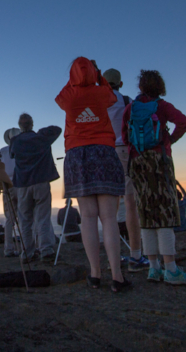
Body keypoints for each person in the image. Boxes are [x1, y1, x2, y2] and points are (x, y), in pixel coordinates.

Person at [55, 57, 130, 292]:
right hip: (104, 151)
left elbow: (61, 96)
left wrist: (76, 78)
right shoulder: (101, 93)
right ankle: (117, 276)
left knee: (87, 217)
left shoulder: (69, 96)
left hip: (77, 155)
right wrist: (97, 75)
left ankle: (95, 274)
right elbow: (110, 93)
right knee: (109, 218)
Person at [122, 69, 186, 286]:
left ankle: (153, 268)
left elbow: (125, 135)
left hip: (137, 163)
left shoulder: (130, 108)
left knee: (145, 212)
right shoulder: (162, 106)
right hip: (159, 161)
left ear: (141, 87)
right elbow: (183, 122)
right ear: (160, 86)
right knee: (165, 212)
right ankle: (171, 270)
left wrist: (136, 149)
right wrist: (169, 141)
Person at [103, 68, 148, 272]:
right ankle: (136, 256)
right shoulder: (127, 100)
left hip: (103, 153)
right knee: (131, 203)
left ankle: (113, 256)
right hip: (124, 151)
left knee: (109, 208)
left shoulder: (97, 102)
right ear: (120, 84)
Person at [10, 113, 62, 264]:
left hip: (23, 184)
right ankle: (46, 250)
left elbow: (13, 155)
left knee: (25, 220)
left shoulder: (15, 141)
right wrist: (40, 132)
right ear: (32, 124)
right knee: (43, 216)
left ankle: (27, 253)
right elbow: (57, 129)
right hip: (41, 181)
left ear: (20, 126)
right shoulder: (42, 138)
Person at [0, 128, 22, 257]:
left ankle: (8, 249)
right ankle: (27, 247)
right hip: (20, 184)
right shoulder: (23, 149)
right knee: (24, 216)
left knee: (9, 219)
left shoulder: (2, 152)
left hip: (6, 185)